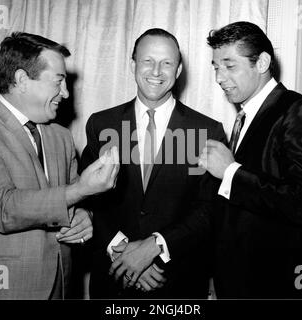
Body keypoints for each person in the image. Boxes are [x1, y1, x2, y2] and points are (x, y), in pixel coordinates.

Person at [80, 28, 227, 298]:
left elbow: (210, 209)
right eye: (148, 61)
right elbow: (89, 199)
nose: (156, 71)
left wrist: (156, 246)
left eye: (167, 63)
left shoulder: (207, 131)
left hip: (176, 282)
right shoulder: (101, 124)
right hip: (114, 280)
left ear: (179, 69)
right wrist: (123, 251)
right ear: (133, 64)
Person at [0, 32, 119, 300]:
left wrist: (84, 217)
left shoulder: (61, 136)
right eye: (59, 82)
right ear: (22, 80)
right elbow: (2, 207)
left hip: (63, 285)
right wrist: (80, 191)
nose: (66, 94)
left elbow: (73, 205)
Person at [199, 21, 302, 298]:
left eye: (229, 66)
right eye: (216, 67)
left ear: (263, 62)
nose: (219, 78)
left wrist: (231, 172)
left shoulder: (300, 111)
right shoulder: (245, 116)